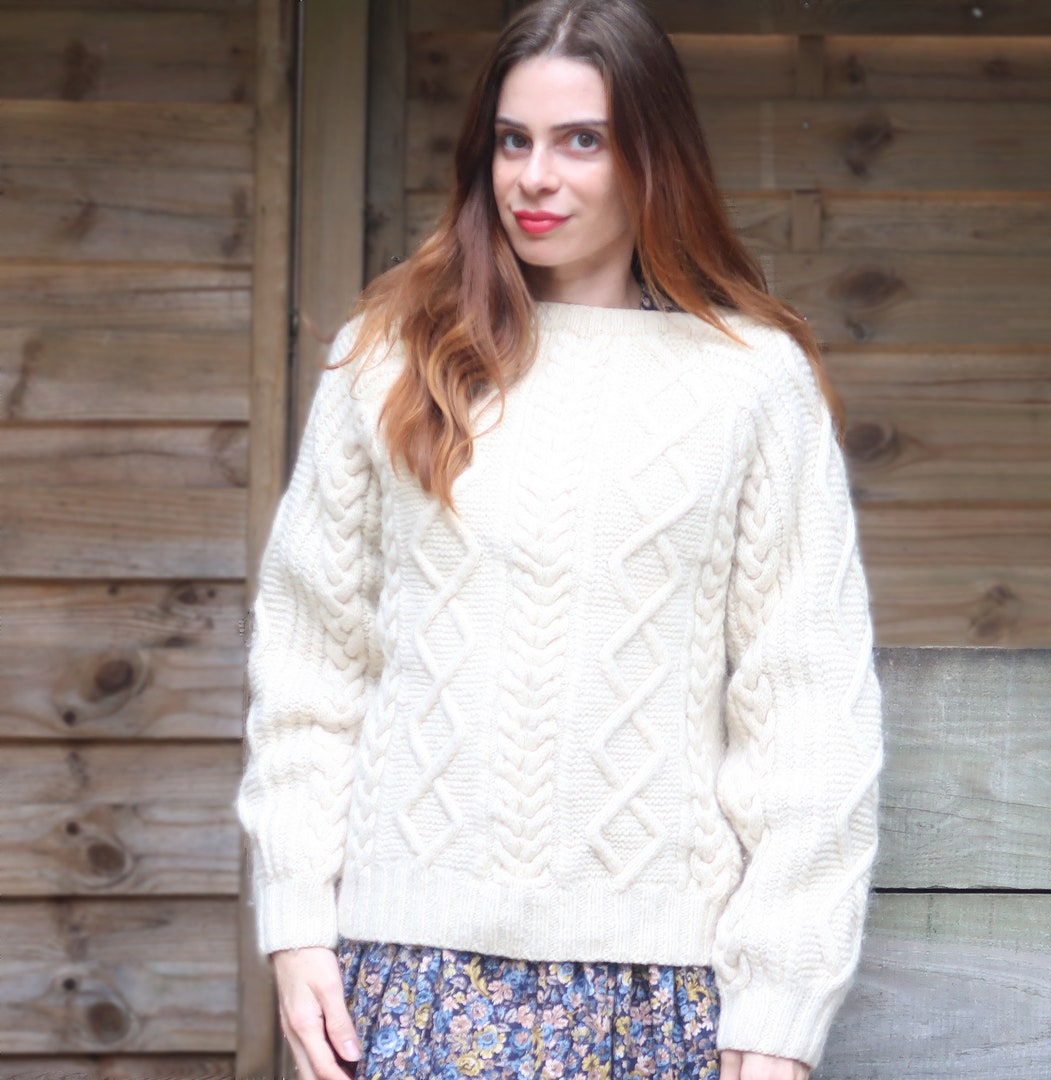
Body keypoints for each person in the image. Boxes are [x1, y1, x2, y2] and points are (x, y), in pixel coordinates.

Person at [237, 2, 883, 1078]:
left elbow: (808, 716)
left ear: (652, 157)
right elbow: (311, 666)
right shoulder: (389, 359)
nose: (535, 177)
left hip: (660, 996)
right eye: (513, 140)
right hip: (409, 980)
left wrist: (780, 1013)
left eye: (582, 139)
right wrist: (297, 921)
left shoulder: (751, 383)